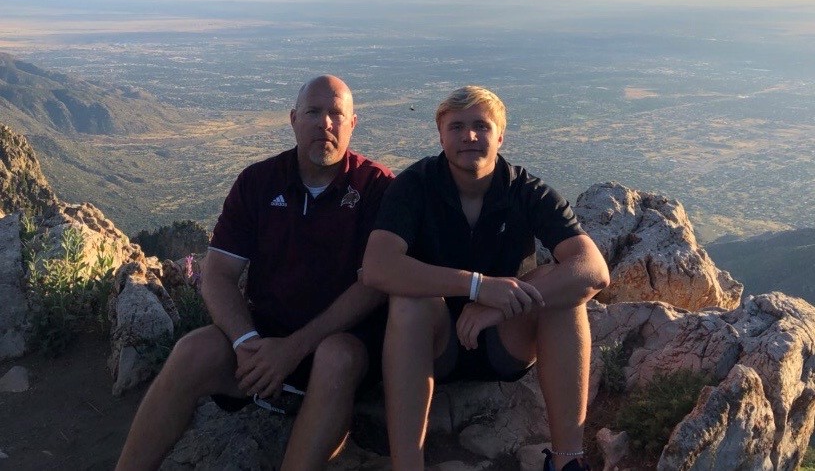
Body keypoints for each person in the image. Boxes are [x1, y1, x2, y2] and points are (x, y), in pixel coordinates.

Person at [116, 75, 394, 471]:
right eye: (314, 112)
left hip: (340, 345)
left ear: (353, 124)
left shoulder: (376, 186)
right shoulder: (259, 182)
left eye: (336, 114)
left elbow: (374, 284)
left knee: (337, 358)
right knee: (193, 349)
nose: (324, 123)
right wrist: (248, 344)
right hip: (261, 344)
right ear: (294, 119)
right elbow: (217, 275)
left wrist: (294, 348)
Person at [361, 85, 610, 471]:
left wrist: (497, 308)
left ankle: (567, 461)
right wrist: (477, 286)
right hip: (434, 345)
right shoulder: (415, 186)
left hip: (505, 342)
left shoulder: (525, 190)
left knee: (564, 295)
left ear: (500, 135)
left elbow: (592, 269)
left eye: (481, 125)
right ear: (441, 135)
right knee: (410, 298)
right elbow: (378, 267)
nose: (469, 136)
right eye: (457, 126)